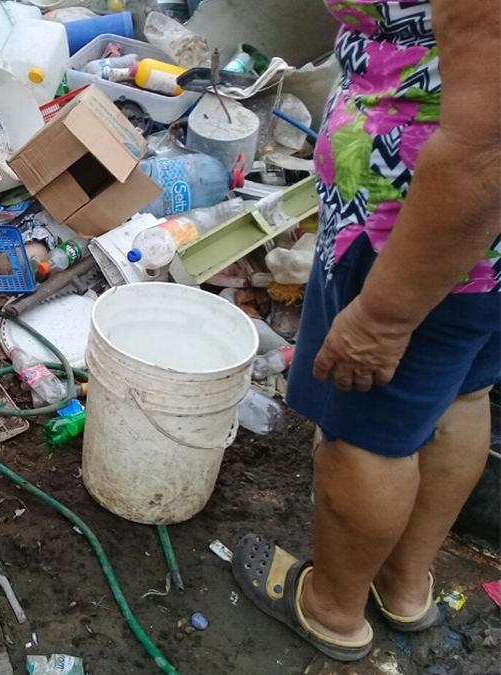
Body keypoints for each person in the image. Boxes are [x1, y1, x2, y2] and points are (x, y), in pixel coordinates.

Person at [233, 0, 501, 662]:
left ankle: (331, 607)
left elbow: (484, 150)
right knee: (459, 393)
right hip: (484, 253)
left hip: (416, 236)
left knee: (364, 431)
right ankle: (403, 584)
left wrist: (384, 316)